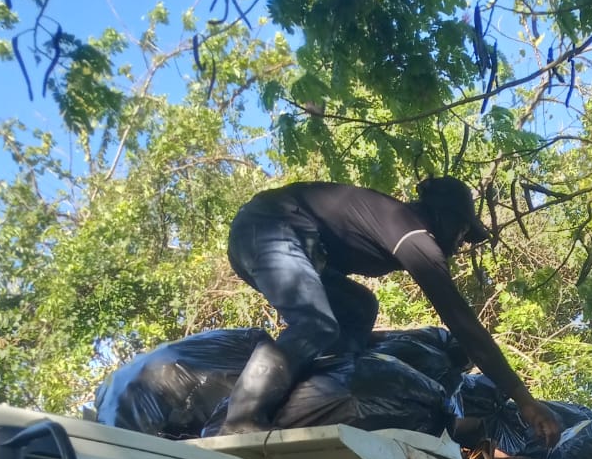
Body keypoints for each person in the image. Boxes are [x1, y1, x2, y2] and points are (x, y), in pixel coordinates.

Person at [220, 175, 561, 441]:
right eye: (462, 231)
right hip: (266, 228)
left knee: (359, 307)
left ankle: (318, 396)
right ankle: (240, 420)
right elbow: (462, 323)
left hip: (282, 237)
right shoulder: (413, 234)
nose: (461, 243)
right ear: (442, 216)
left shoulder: (401, 224)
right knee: (316, 324)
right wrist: (524, 400)